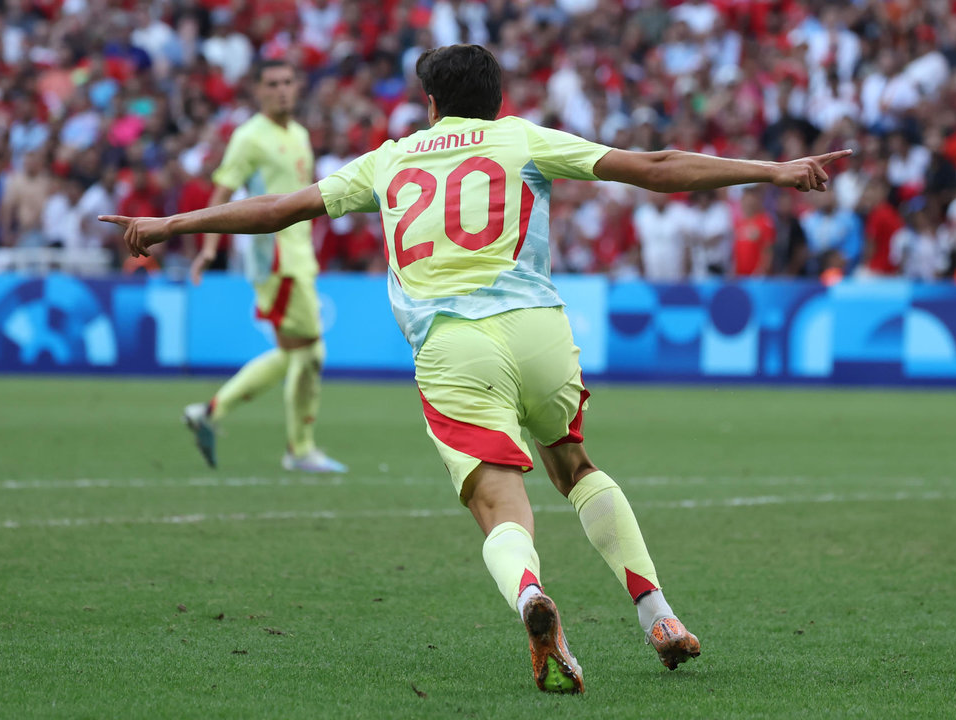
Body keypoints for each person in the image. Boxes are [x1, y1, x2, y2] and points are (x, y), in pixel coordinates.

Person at [102, 44, 850, 695]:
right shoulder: (523, 139)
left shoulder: (390, 158)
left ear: (429, 103)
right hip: (537, 331)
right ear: (498, 101)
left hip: (453, 344)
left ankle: (530, 596)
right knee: (574, 464)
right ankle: (657, 614)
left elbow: (278, 210)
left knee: (499, 505)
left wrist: (174, 224)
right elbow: (652, 168)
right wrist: (772, 170)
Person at [184, 59, 346, 474]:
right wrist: (209, 248)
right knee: (310, 351)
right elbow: (221, 193)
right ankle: (299, 449)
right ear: (258, 90)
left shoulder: (300, 135)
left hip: (298, 254)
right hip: (275, 260)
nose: (282, 90)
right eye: (272, 83)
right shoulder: (249, 138)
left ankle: (211, 412)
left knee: (297, 352)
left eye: (288, 81)